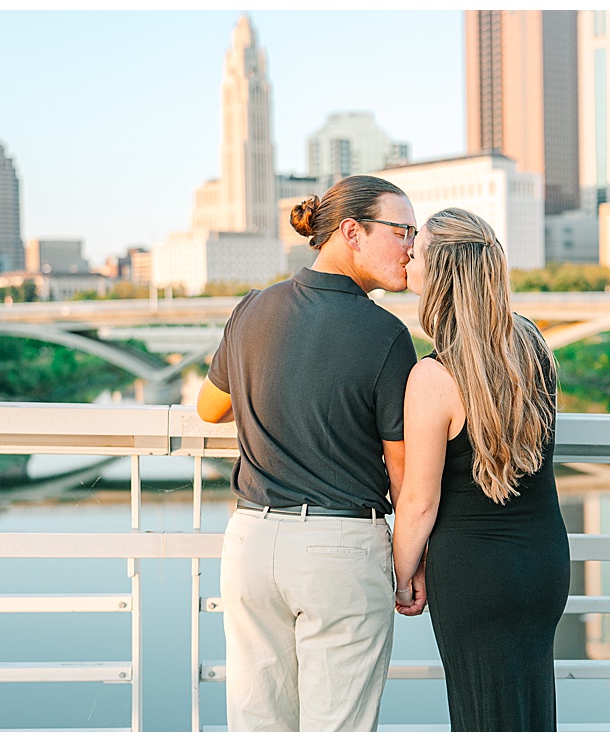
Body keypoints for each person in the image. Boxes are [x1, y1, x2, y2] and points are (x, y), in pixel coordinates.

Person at [196, 175, 420, 732]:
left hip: (251, 543)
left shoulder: (251, 310)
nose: (411, 247)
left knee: (257, 723)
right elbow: (403, 474)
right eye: (401, 231)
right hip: (339, 550)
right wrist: (410, 562)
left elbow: (208, 409)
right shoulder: (387, 336)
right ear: (352, 232)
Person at [391, 207, 569, 731]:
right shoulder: (533, 346)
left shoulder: (432, 376)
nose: (407, 254)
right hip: (544, 564)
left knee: (481, 715)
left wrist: (403, 577)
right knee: (531, 713)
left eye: (417, 250)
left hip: (474, 575)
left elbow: (419, 503)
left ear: (440, 275)